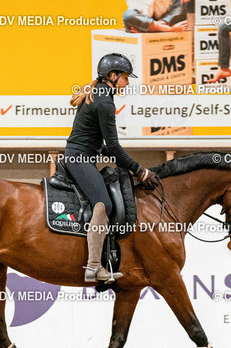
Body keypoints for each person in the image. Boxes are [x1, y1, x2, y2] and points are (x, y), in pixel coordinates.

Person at [66, 53, 157, 283]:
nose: (127, 83)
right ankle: (94, 267)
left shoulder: (98, 93)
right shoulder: (104, 102)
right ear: (113, 76)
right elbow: (114, 146)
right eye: (125, 78)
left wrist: (113, 157)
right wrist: (140, 170)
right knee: (103, 204)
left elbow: (98, 143)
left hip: (83, 155)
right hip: (79, 159)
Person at [123, 0, 193, 33]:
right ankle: (169, 29)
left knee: (180, 10)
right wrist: (169, 29)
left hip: (160, 20)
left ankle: (149, 29)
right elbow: (134, 11)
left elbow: (177, 8)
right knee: (128, 15)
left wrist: (158, 24)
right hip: (143, 18)